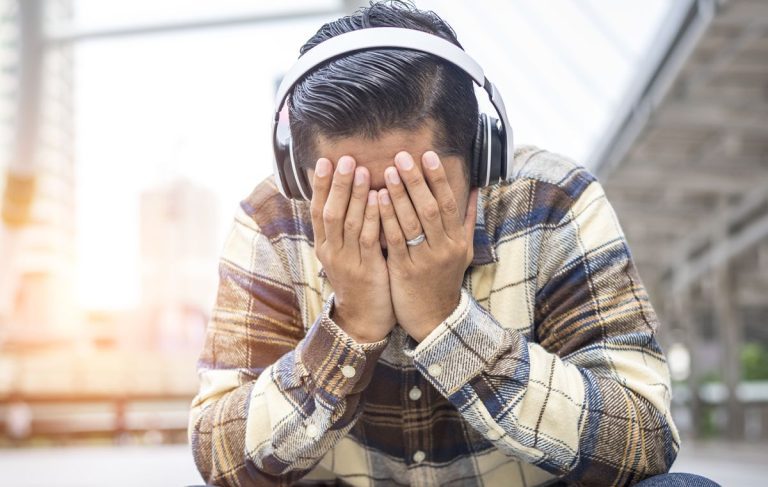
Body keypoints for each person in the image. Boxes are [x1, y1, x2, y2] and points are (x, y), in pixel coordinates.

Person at [188, 2, 702, 485]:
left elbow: (644, 438)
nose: (386, 223)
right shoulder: (275, 220)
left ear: (483, 158)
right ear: (299, 178)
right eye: (350, 197)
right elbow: (219, 455)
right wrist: (350, 327)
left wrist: (446, 320)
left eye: (414, 191)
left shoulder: (553, 201)